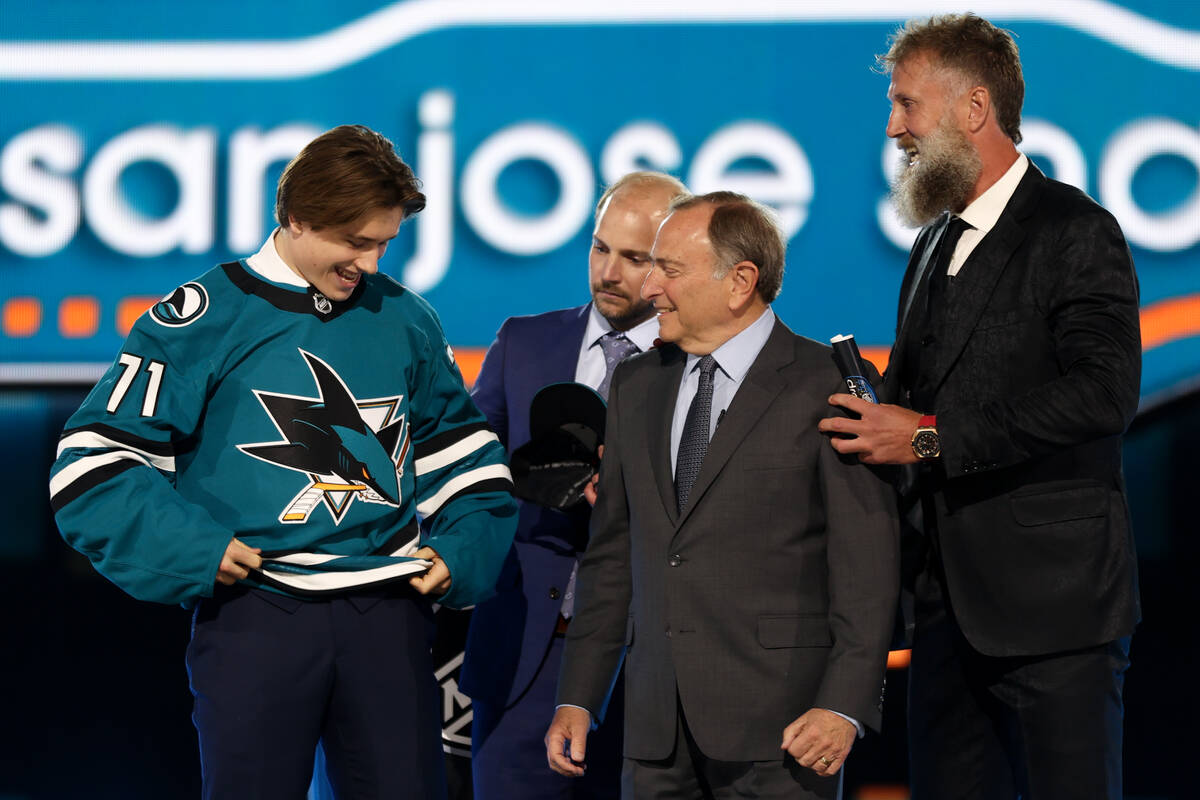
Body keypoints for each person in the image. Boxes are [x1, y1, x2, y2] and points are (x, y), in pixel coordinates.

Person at [48, 124, 517, 800]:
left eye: (384, 242)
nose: (373, 265)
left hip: (389, 616)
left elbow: (467, 459)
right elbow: (91, 464)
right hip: (255, 616)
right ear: (296, 216)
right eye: (356, 242)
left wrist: (462, 551)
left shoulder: (407, 319)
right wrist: (197, 548)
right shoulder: (202, 317)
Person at [817, 14, 1141, 799]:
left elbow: (1104, 394)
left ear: (973, 108)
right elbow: (919, 401)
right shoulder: (934, 241)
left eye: (906, 106)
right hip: (944, 614)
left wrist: (926, 438)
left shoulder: (1074, 230)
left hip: (1055, 615)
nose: (893, 129)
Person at [546, 192, 899, 798]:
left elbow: (867, 567)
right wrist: (579, 697)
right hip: (656, 732)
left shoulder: (827, 385)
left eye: (669, 269)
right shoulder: (635, 386)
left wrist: (843, 706)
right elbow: (611, 557)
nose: (648, 286)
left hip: (786, 730)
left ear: (740, 282)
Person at [460, 171, 688, 799]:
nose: (609, 272)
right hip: (525, 651)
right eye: (599, 248)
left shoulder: (699, 367)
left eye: (635, 258)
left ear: (671, 265)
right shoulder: (522, 342)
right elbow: (467, 474)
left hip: (650, 658)